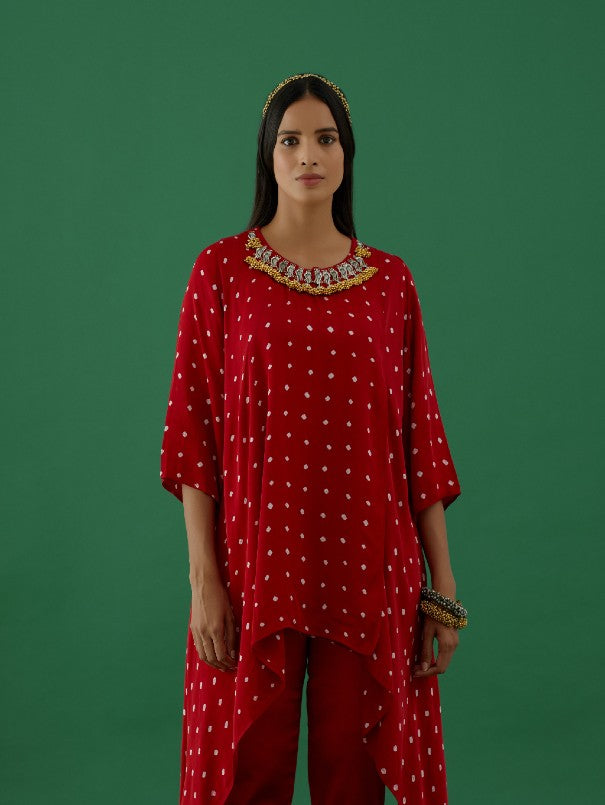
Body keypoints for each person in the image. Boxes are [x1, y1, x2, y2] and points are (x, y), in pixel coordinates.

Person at [159, 72, 467, 805]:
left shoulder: (390, 283)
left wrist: (442, 588)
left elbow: (418, 439)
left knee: (354, 777)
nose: (308, 155)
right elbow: (194, 437)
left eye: (325, 139)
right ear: (267, 157)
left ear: (346, 154)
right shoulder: (221, 273)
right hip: (252, 567)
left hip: (370, 570)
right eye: (290, 140)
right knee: (246, 774)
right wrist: (204, 581)